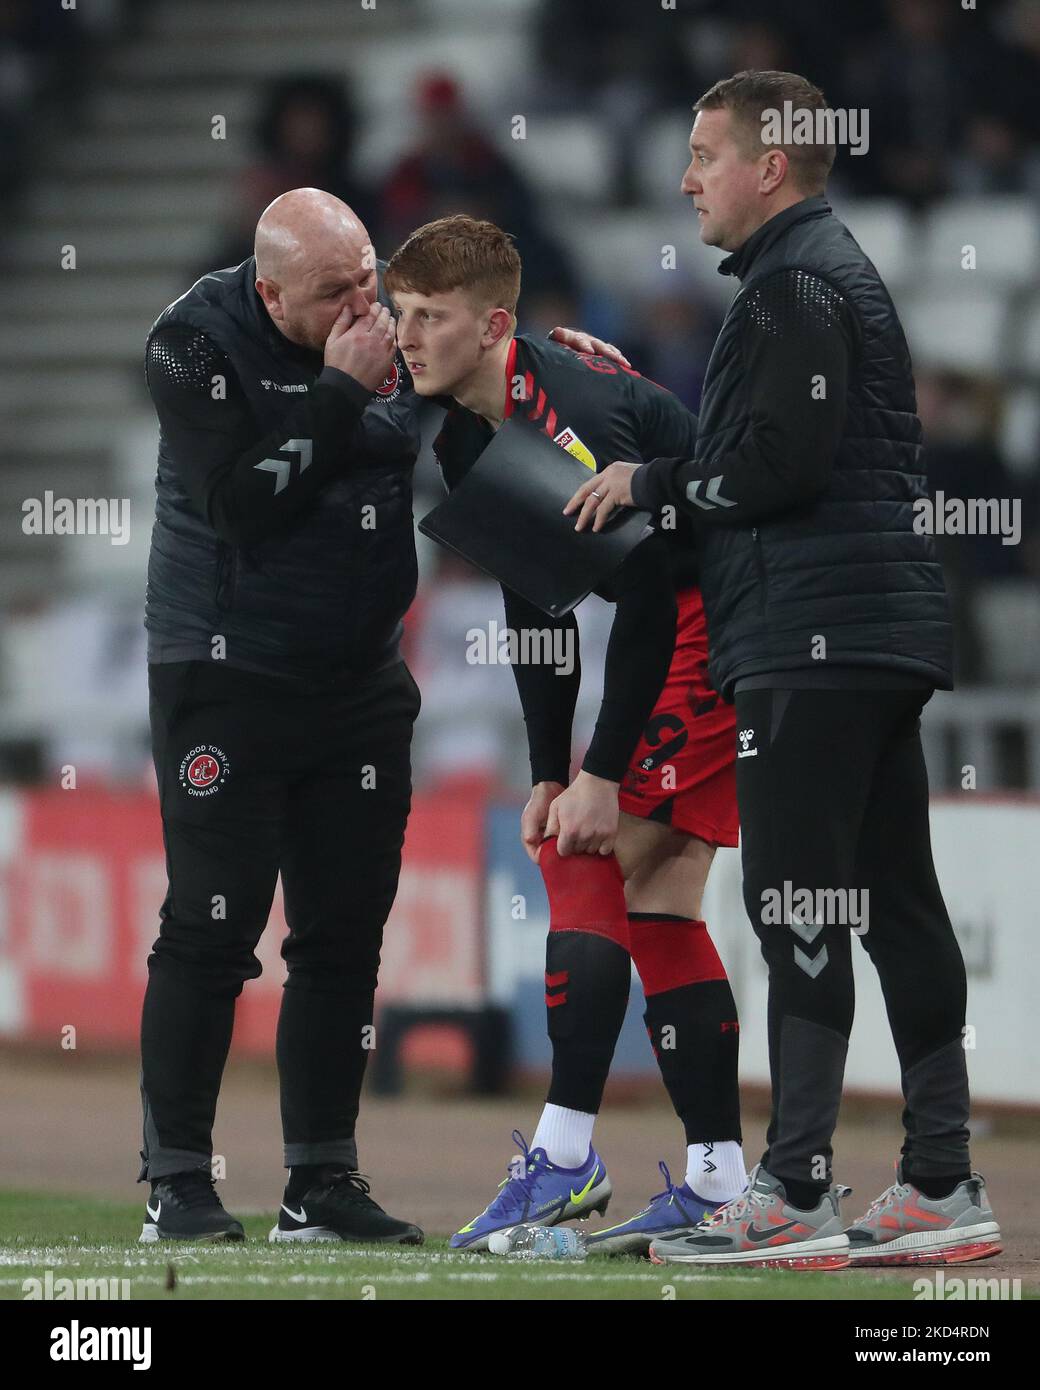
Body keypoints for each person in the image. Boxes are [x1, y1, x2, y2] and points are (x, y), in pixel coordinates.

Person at [568, 70, 1002, 1269]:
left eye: (704, 154)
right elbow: (760, 447)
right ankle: (936, 1179)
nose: (684, 178)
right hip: (863, 630)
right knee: (894, 902)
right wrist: (645, 417)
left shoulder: (794, 284)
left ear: (769, 165)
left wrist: (650, 481)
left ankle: (796, 1187)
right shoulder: (806, 277)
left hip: (815, 637)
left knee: (794, 899)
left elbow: (778, 468)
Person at [385, 215, 747, 1255]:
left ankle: (563, 1156)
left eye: (432, 317)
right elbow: (536, 594)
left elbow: (640, 597)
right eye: (400, 313)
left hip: (716, 617)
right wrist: (550, 768)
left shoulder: (571, 405)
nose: (407, 336)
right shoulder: (460, 427)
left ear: (493, 323)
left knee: (582, 846)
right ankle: (719, 1178)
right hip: (685, 617)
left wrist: (594, 775)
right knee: (655, 894)